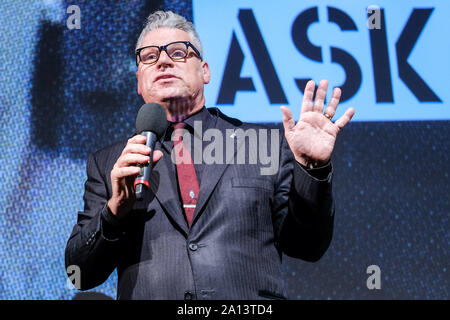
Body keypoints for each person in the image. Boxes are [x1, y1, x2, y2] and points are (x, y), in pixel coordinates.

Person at [65, 10, 354, 300]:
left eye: (178, 52)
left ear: (205, 71)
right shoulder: (110, 164)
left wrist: (311, 169)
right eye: (149, 57)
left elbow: (307, 245)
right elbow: (80, 272)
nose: (163, 61)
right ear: (139, 81)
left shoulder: (261, 144)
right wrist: (115, 210)